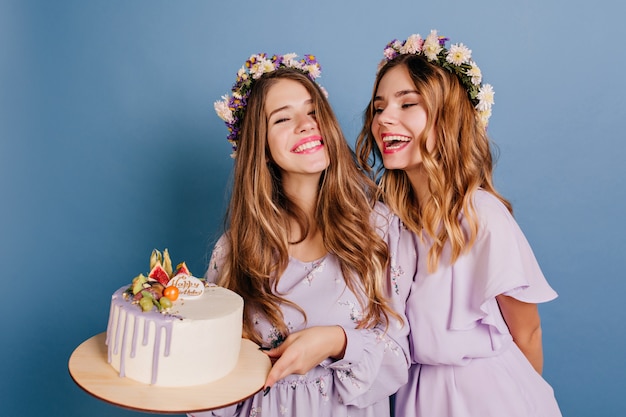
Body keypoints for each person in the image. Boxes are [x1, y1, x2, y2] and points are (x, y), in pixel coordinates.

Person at [191, 53, 416, 417]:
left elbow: (399, 359)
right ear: (260, 148)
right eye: (282, 118)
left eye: (313, 112)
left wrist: (335, 341)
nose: (306, 125)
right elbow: (216, 375)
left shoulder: (380, 228)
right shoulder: (236, 249)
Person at [355, 31, 563, 416]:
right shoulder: (385, 219)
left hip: (490, 396)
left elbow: (528, 331)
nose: (385, 119)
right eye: (379, 107)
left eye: (408, 104)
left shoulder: (481, 215)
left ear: (447, 116)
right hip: (415, 394)